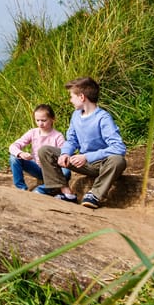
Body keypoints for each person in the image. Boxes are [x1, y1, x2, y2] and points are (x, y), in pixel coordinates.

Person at [38, 77, 127, 209]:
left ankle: (95, 195)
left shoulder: (103, 118)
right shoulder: (76, 115)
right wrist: (65, 153)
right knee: (45, 151)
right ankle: (66, 193)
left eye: (71, 96)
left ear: (81, 97)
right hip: (83, 163)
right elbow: (72, 139)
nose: (70, 100)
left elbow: (119, 147)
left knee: (118, 160)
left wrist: (86, 157)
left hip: (103, 163)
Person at [7, 104, 67, 193]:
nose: (40, 123)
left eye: (44, 120)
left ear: (52, 119)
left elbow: (63, 154)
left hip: (52, 171)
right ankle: (21, 188)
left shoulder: (57, 136)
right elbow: (13, 146)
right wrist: (21, 153)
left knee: (66, 172)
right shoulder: (33, 132)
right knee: (14, 158)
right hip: (37, 168)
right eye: (37, 120)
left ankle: (41, 189)